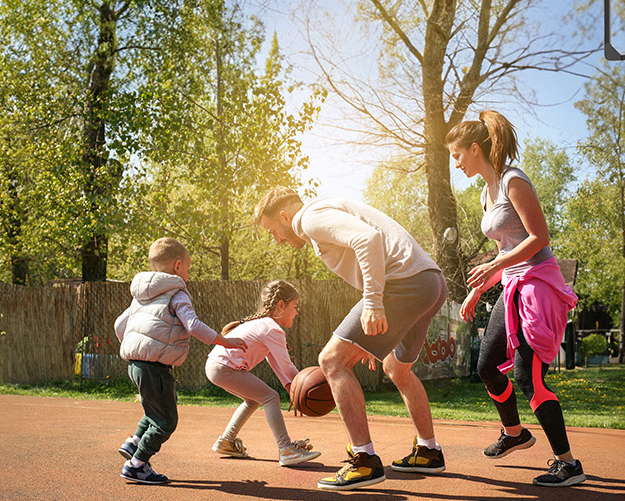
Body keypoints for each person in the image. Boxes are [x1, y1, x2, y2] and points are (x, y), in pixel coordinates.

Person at [254, 188, 447, 491]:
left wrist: (373, 302)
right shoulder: (326, 211)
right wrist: (375, 331)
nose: (276, 239)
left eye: (273, 231)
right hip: (430, 282)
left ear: (284, 216)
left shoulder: (308, 218)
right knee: (397, 369)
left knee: (331, 360)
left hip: (403, 283)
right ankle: (429, 451)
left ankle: (364, 460)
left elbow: (367, 240)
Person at [447, 110, 584, 487]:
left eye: (457, 155)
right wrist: (479, 287)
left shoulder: (512, 180)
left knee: (527, 375)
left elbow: (539, 238)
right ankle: (515, 433)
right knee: (487, 366)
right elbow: (506, 248)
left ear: (474, 149)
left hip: (537, 285)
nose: (455, 163)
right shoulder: (484, 194)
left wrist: (497, 262)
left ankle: (568, 463)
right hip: (510, 285)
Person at [113, 237, 245, 485]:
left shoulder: (142, 295)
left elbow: (120, 324)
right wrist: (224, 341)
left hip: (135, 364)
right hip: (155, 366)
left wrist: (134, 347)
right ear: (177, 266)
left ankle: (133, 443)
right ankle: (137, 464)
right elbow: (193, 325)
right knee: (166, 421)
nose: (188, 273)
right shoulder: (177, 292)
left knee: (157, 409)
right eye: (188, 268)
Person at [205, 280, 322, 467]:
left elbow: (274, 361)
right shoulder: (272, 329)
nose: (297, 312)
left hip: (217, 366)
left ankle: (227, 441)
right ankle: (286, 449)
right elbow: (287, 366)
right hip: (224, 367)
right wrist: (301, 385)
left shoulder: (264, 324)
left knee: (253, 400)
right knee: (270, 397)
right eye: (295, 306)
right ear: (281, 305)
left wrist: (290, 386)